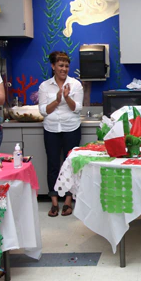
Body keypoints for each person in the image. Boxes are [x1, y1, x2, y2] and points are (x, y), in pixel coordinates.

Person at [38, 51, 83, 217]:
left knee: (70, 164)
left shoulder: (76, 85)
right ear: (53, 66)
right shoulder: (45, 86)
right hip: (51, 129)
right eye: (60, 65)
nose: (64, 69)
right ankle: (54, 202)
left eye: (66, 66)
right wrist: (57, 100)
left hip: (71, 128)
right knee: (53, 165)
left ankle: (68, 201)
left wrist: (67, 98)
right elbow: (43, 111)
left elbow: (77, 108)